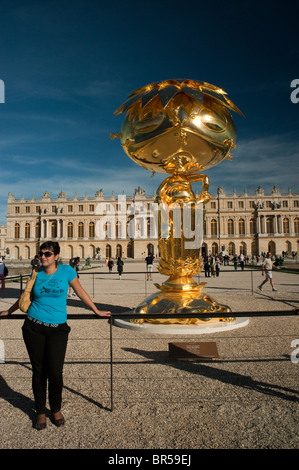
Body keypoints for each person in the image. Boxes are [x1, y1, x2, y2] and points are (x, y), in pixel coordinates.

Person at [0, 241, 110, 430]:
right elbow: (25, 296)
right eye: (41, 253)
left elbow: (80, 292)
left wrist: (96, 310)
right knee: (38, 372)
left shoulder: (67, 271)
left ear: (56, 256)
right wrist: (9, 311)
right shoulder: (36, 273)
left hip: (58, 329)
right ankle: (41, 411)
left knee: (56, 373)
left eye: (47, 254)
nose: (43, 257)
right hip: (33, 327)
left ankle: (56, 408)